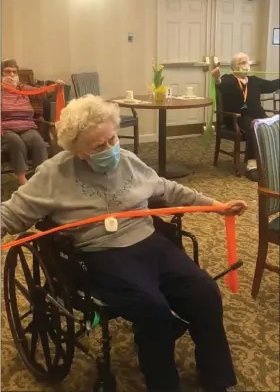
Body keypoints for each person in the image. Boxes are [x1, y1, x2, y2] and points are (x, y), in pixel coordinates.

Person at [1, 95, 247, 392]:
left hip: (148, 240)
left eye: (112, 138)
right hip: (100, 253)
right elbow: (12, 213)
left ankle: (216, 378)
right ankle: (163, 385)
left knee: (205, 292)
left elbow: (168, 189)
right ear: (78, 151)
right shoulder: (54, 174)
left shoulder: (128, 160)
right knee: (152, 308)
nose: (110, 149)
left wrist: (217, 205)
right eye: (98, 146)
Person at [212, 52, 279, 182]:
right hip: (237, 118)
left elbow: (272, 85)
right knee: (255, 126)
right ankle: (252, 165)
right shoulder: (229, 79)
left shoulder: (254, 80)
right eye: (241, 62)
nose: (245, 65)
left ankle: (271, 162)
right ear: (233, 67)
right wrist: (216, 78)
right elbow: (219, 84)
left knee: (273, 124)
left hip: (258, 116)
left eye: (247, 62)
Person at [1, 58, 64, 185]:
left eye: (14, 72)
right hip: (6, 129)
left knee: (38, 142)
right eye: (8, 72)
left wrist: (56, 87)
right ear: (1, 74)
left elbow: (41, 93)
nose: (12, 75)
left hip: (27, 126)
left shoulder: (23, 88)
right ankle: (22, 178)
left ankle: (42, 179)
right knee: (16, 142)